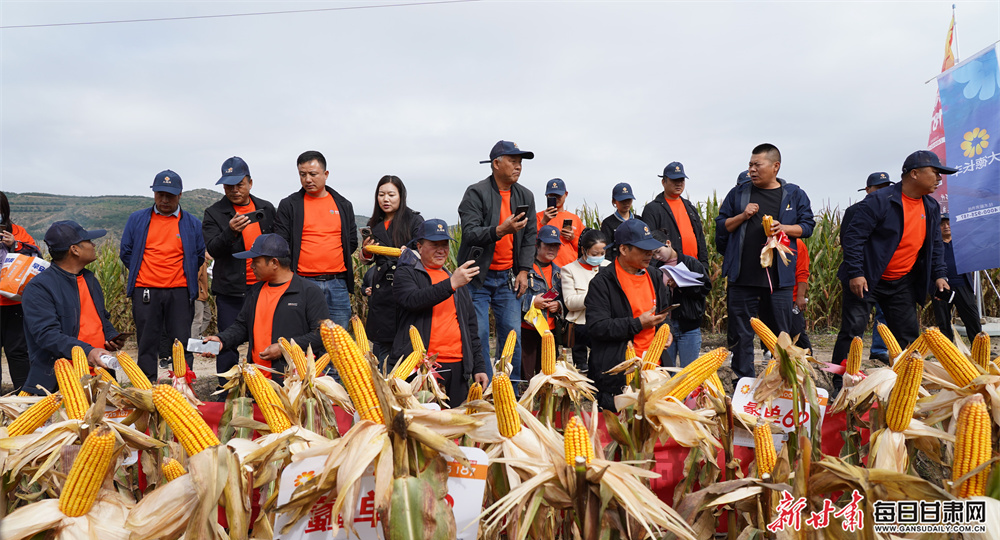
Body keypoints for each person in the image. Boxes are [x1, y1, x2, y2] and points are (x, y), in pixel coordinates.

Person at [832, 151, 953, 391]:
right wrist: (856, 273)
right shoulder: (880, 201)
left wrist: (939, 274)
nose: (939, 178)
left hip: (901, 281)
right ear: (914, 174)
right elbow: (853, 238)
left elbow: (935, 244)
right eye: (935, 172)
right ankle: (840, 382)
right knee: (853, 331)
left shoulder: (930, 205)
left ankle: (906, 383)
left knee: (907, 335)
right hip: (867, 278)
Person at [715, 144, 814, 382]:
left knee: (781, 334)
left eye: (757, 165)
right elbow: (721, 225)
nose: (751, 169)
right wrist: (743, 215)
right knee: (741, 334)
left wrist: (784, 228)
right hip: (742, 278)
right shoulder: (738, 193)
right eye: (750, 164)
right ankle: (743, 380)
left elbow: (807, 226)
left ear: (775, 166)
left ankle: (782, 379)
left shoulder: (794, 194)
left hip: (779, 281)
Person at [457, 140, 537, 380]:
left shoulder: (526, 195)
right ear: (496, 164)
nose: (518, 166)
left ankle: (509, 392)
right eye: (513, 161)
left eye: (520, 162)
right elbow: (470, 233)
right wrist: (500, 231)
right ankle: (483, 391)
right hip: (476, 277)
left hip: (508, 278)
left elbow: (530, 236)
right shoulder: (476, 193)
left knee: (512, 334)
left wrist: (524, 270)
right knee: (479, 332)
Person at [205, 234, 329, 384]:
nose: (251, 267)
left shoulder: (309, 292)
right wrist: (221, 340)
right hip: (257, 383)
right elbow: (242, 326)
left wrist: (284, 348)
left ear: (274, 263)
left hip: (292, 385)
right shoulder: (256, 290)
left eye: (255, 262)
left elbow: (320, 336)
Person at [392, 219, 489, 406]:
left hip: (457, 367)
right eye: (434, 244)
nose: (441, 250)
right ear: (419, 247)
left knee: (454, 428)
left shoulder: (456, 281)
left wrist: (479, 366)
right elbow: (413, 300)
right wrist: (451, 284)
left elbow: (470, 328)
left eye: (444, 245)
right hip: (421, 369)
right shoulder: (406, 274)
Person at [21, 221, 125, 394]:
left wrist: (111, 335)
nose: (93, 245)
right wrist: (88, 351)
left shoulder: (90, 279)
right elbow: (47, 335)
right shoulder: (39, 287)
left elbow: (100, 318)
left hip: (100, 375)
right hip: (63, 382)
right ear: (75, 250)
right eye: (89, 242)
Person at [120, 170, 205, 381]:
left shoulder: (192, 223)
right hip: (146, 289)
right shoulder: (138, 219)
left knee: (181, 342)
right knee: (147, 341)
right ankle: (146, 385)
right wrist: (146, 270)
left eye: (170, 195)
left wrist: (181, 274)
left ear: (180, 195)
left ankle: (183, 384)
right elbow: (126, 252)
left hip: (180, 291)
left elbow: (199, 255)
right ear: (154, 193)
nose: (165, 200)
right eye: (160, 194)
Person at [203, 156, 277, 383]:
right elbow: (212, 249)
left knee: (263, 338)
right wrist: (230, 231)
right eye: (228, 186)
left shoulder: (266, 208)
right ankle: (227, 387)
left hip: (263, 286)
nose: (234, 190)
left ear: (250, 183)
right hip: (230, 290)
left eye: (239, 184)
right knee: (227, 341)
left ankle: (262, 385)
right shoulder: (214, 213)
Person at [585, 220, 672, 411]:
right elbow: (597, 327)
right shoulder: (602, 283)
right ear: (623, 249)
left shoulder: (655, 276)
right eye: (643, 249)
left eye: (651, 249)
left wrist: (667, 331)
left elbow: (664, 312)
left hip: (655, 371)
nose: (650, 254)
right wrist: (638, 324)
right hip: (621, 377)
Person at [275, 151, 358, 328]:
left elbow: (351, 242)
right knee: (303, 336)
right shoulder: (290, 205)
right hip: (303, 281)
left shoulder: (343, 205)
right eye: (302, 174)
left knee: (339, 339)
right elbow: (282, 243)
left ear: (325, 174)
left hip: (337, 284)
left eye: (313, 174)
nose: (307, 179)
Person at [359, 175, 424, 363]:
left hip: (406, 287)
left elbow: (425, 251)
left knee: (406, 345)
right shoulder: (374, 224)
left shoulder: (414, 220)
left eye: (391, 195)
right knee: (383, 349)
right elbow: (369, 260)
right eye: (381, 195)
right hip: (382, 293)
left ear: (401, 196)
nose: (385, 199)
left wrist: (409, 253)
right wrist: (366, 252)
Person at [841, 172, 896, 362]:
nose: (883, 191)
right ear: (868, 190)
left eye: (886, 187)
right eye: (878, 188)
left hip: (888, 275)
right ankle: (848, 362)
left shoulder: (894, 210)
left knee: (885, 317)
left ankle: (879, 350)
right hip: (862, 274)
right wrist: (857, 272)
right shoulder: (854, 211)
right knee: (855, 324)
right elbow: (848, 242)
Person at [0, 191, 42, 392]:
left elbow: (37, 257)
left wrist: (14, 245)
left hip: (15, 303)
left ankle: (22, 394)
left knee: (17, 351)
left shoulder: (18, 232)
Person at [641, 162, 709, 266]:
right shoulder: (653, 209)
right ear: (663, 182)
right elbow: (649, 243)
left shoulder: (690, 207)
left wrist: (704, 265)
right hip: (669, 271)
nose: (679, 183)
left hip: (694, 268)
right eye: (674, 180)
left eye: (681, 180)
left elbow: (700, 239)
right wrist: (657, 274)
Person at [657, 241, 711, 367]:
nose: (657, 257)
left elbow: (705, 288)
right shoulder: (656, 267)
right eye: (653, 254)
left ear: (668, 243)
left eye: (658, 252)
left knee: (688, 373)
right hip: (665, 327)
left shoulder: (691, 263)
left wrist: (682, 286)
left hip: (688, 325)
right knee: (666, 373)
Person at [562, 229, 610, 371]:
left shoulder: (609, 266)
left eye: (602, 253)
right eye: (595, 254)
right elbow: (570, 302)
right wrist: (596, 297)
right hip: (581, 325)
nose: (599, 257)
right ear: (583, 250)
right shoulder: (569, 270)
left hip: (605, 321)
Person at [519, 225, 564, 378]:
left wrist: (559, 305)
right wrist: (532, 302)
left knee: (546, 374)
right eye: (548, 245)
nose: (552, 249)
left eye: (555, 245)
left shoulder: (560, 273)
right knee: (525, 376)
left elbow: (565, 299)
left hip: (549, 331)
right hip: (528, 329)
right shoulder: (524, 270)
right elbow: (511, 299)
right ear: (537, 245)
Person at [932, 213, 983, 342]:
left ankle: (979, 346)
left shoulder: (963, 242)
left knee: (972, 318)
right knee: (943, 320)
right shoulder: (934, 246)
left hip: (963, 284)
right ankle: (948, 350)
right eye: (942, 224)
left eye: (949, 224)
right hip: (941, 287)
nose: (946, 227)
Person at [758, 238, 812, 352]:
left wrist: (800, 296)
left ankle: (806, 358)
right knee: (771, 331)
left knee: (796, 331)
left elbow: (802, 272)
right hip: (768, 297)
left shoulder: (797, 244)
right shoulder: (765, 243)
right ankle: (772, 356)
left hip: (791, 298)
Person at [536, 178, 583, 268]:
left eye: (558, 195)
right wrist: (543, 222)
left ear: (566, 194)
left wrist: (573, 238)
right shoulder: (538, 217)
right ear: (546, 196)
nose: (556, 199)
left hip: (570, 269)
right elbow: (530, 242)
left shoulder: (575, 219)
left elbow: (585, 248)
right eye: (552, 196)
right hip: (545, 269)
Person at [600, 183, 634, 262]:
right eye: (622, 200)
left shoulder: (639, 220)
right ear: (614, 201)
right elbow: (607, 251)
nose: (626, 203)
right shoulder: (608, 223)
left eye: (628, 200)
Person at [190, 253, 212, 338]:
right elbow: (195, 278)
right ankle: (194, 339)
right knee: (198, 319)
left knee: (207, 316)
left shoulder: (205, 264)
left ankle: (196, 335)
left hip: (203, 296)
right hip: (198, 295)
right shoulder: (200, 263)